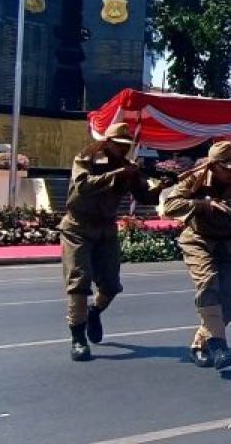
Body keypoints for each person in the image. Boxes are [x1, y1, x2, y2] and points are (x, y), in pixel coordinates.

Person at [60, 122, 167, 362]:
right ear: (107, 143)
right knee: (79, 281)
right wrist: (118, 174)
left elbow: (145, 197)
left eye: (127, 146)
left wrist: (161, 185)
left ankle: (94, 311)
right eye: (119, 145)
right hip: (78, 226)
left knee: (110, 285)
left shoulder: (128, 168)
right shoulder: (86, 159)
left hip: (106, 228)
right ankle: (78, 339)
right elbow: (83, 186)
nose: (124, 150)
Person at [162, 140, 231, 370]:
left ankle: (200, 343)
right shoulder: (195, 178)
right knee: (208, 285)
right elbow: (170, 206)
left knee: (228, 305)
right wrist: (205, 205)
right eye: (227, 167)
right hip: (199, 239)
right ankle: (219, 347)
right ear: (214, 166)